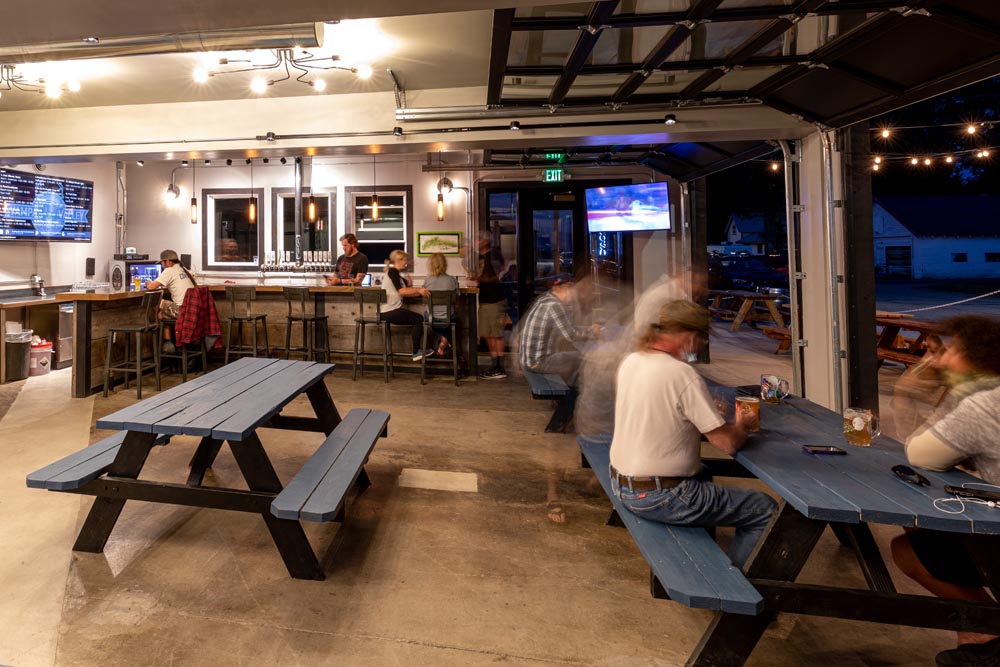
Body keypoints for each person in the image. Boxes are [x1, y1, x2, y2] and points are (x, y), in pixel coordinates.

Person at [609, 299, 776, 568]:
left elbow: (658, 415)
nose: (699, 346)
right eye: (700, 339)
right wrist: (742, 423)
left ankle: (719, 567)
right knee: (764, 509)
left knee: (703, 472)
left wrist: (705, 415)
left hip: (621, 484)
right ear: (689, 336)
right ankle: (735, 587)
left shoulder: (632, 361)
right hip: (658, 497)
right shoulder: (681, 373)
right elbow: (727, 444)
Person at [890, 315, 1000, 666]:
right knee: (918, 537)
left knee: (913, 541)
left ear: (974, 356)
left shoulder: (981, 401)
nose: (934, 361)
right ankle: (982, 630)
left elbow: (920, 453)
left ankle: (987, 629)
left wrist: (905, 397)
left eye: (944, 352)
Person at [517, 274, 585, 385]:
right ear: (566, 289)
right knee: (583, 360)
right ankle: (568, 398)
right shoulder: (554, 305)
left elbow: (565, 328)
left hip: (529, 360)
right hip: (538, 363)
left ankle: (563, 395)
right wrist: (593, 333)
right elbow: (571, 335)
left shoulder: (545, 299)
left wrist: (587, 329)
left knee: (573, 356)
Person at [381, 249, 433, 361]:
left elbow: (408, 285)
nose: (407, 262)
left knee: (417, 318)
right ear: (399, 260)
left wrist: (417, 290)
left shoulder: (395, 273)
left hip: (389, 310)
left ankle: (417, 351)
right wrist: (419, 290)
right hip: (389, 310)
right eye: (405, 260)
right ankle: (416, 352)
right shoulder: (392, 271)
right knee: (418, 318)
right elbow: (401, 291)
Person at [145, 249, 196, 352]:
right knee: (164, 310)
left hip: (182, 310)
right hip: (193, 311)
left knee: (157, 302)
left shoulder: (169, 270)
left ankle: (167, 342)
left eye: (162, 263)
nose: (162, 265)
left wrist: (148, 283)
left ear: (167, 261)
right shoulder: (183, 269)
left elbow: (151, 287)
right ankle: (167, 340)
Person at [471, 233, 507, 380]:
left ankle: (500, 367)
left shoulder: (494, 255)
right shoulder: (481, 258)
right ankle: (494, 365)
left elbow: (499, 276)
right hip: (485, 299)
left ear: (486, 241)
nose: (476, 242)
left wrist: (479, 279)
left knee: (496, 334)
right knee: (487, 333)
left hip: (495, 299)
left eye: (478, 239)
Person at [423, 252, 458, 357]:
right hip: (449, 317)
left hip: (431, 318)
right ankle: (445, 340)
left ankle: (442, 340)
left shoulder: (427, 280)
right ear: (445, 264)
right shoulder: (452, 280)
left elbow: (423, 298)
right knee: (453, 319)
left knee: (429, 317)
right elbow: (457, 299)